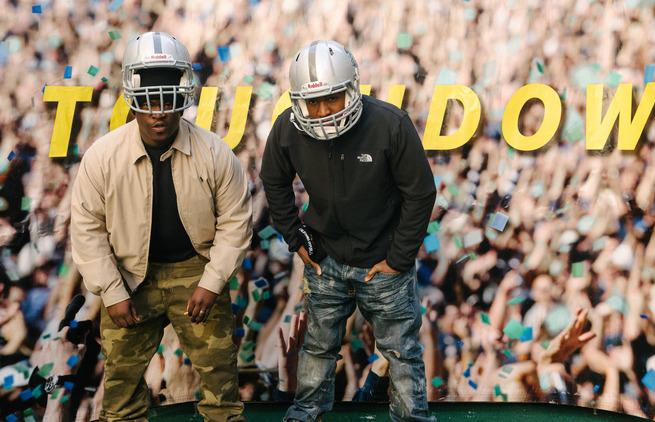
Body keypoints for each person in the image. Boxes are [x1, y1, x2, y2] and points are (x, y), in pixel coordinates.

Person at [70, 32, 252, 422]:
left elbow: (236, 222)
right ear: (133, 98)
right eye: (150, 101)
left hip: (196, 268)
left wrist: (212, 281)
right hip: (129, 275)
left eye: (167, 100)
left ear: (182, 97)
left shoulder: (216, 152)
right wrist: (112, 291)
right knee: (120, 392)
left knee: (222, 385)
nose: (159, 112)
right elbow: (87, 230)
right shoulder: (102, 157)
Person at [260, 40, 437, 422]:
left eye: (333, 98)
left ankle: (412, 417)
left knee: (401, 351)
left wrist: (398, 258)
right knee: (318, 345)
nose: (323, 110)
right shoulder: (288, 129)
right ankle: (307, 410)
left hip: (382, 258)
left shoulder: (390, 124)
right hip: (326, 257)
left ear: (352, 89)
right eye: (314, 101)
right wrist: (296, 237)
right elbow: (273, 180)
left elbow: (420, 193)